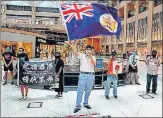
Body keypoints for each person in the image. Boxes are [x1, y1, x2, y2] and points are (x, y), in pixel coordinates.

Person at [66, 41, 96, 113]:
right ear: (85, 50)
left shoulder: (93, 57)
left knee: (88, 90)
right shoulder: (82, 56)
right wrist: (72, 45)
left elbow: (94, 63)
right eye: (87, 49)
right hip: (82, 75)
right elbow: (76, 52)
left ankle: (85, 103)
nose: (88, 50)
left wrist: (90, 56)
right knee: (80, 90)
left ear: (91, 50)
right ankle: (78, 105)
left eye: (90, 49)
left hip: (90, 75)